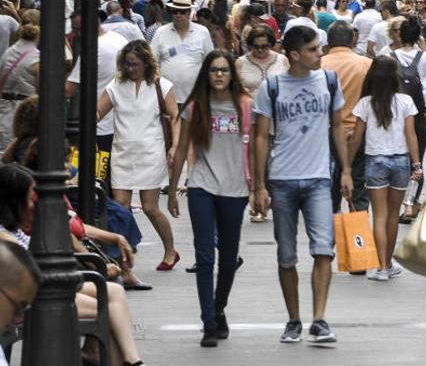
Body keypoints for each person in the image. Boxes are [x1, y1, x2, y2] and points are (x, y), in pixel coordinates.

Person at [252, 25, 351, 344]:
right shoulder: (273, 86)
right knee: (286, 255)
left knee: (324, 249)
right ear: (294, 55)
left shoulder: (329, 81)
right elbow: (260, 136)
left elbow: (337, 126)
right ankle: (294, 319)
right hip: (281, 179)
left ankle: (319, 319)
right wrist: (259, 186)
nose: (319, 53)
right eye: (312, 49)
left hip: (319, 178)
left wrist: (346, 170)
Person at [0, 164, 147, 366]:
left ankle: (131, 360)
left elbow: (70, 231)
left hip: (46, 288)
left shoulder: (18, 225)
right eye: (28, 198)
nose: (32, 203)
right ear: (13, 200)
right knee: (109, 310)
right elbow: (30, 274)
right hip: (36, 297)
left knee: (114, 292)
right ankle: (127, 360)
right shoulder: (7, 236)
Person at [168, 50, 254, 347]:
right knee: (205, 256)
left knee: (228, 260)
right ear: (206, 74)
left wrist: (259, 188)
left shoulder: (245, 106)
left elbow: (257, 149)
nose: (219, 75)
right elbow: (181, 150)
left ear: (232, 74)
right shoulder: (196, 107)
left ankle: (219, 309)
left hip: (235, 189)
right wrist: (173, 188)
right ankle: (208, 322)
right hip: (201, 186)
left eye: (224, 70)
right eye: (214, 70)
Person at [97, 40, 180, 271]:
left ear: (146, 63)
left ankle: (170, 250)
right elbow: (98, 111)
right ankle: (120, 257)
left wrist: (174, 147)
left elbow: (174, 116)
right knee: (120, 206)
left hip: (150, 152)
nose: (130, 68)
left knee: (150, 207)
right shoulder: (116, 85)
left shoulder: (162, 85)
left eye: (134, 64)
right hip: (123, 151)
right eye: (127, 64)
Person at [348, 56, 421, 281]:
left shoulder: (366, 103)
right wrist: (416, 163)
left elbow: (357, 138)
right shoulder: (405, 101)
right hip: (400, 160)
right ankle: (387, 263)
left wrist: (347, 166)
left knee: (379, 215)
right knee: (392, 216)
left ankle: (380, 268)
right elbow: (411, 134)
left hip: (375, 161)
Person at [65, 14, 130, 188]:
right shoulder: (119, 39)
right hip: (120, 120)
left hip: (99, 123)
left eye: (78, 29)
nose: (75, 34)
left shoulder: (93, 49)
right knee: (114, 179)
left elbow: (68, 90)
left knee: (96, 178)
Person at [389, 16, 426, 221]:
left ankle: (401, 200)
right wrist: (424, 47)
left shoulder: (389, 55)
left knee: (402, 157)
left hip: (397, 113)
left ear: (399, 35)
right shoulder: (425, 57)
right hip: (420, 113)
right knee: (417, 161)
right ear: (418, 36)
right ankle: (410, 204)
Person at [321, 21, 372, 213]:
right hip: (359, 133)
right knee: (359, 189)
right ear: (353, 39)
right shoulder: (367, 64)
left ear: (328, 40)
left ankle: (329, 232)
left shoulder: (319, 65)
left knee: (329, 189)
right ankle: (358, 235)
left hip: (327, 134)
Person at [150, 0, 214, 108]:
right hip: (166, 98)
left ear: (190, 12)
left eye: (183, 12)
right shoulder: (161, 32)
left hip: (195, 98)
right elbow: (151, 61)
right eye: (175, 11)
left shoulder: (202, 32)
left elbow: (210, 62)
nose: (178, 15)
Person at [0, 24, 39, 152]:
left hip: (4, 104)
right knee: (21, 144)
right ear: (38, 36)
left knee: (4, 142)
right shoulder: (35, 57)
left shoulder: (8, 51)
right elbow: (42, 85)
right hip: (25, 107)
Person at [236, 23, 290, 98]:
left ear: (270, 44)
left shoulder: (282, 60)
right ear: (251, 45)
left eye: (264, 46)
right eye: (256, 47)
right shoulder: (240, 63)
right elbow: (235, 89)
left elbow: (289, 85)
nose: (260, 50)